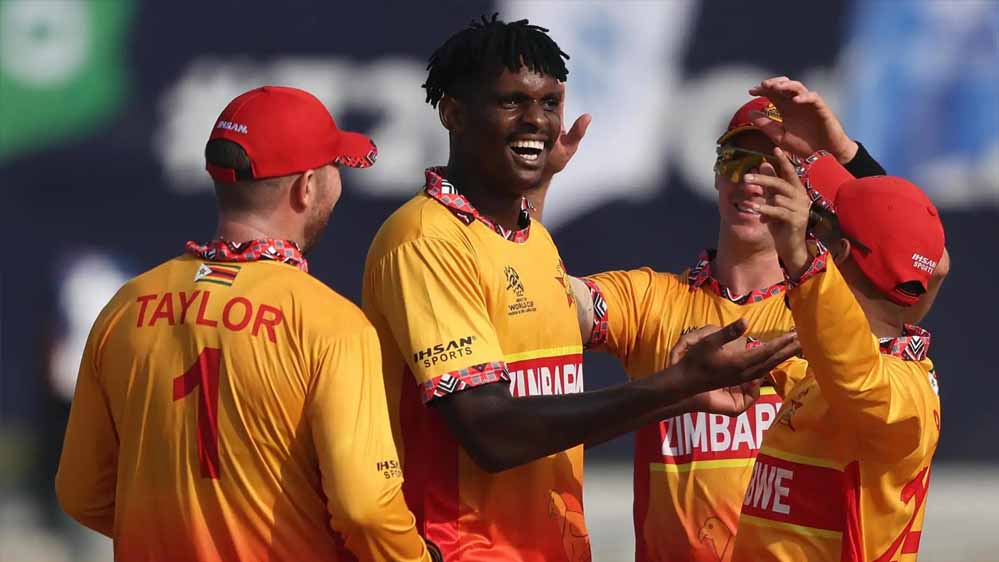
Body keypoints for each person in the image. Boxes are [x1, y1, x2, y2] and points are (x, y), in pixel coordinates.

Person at [361, 16, 799, 562]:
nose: (536, 120)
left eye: (549, 103)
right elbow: (491, 433)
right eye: (512, 102)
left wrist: (682, 391)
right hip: (464, 549)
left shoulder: (531, 241)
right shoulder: (427, 240)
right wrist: (679, 385)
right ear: (452, 112)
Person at [568, 77, 949, 562]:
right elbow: (551, 300)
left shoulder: (834, 317)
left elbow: (918, 261)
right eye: (738, 161)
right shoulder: (652, 301)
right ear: (715, 174)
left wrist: (846, 155)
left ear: (811, 201)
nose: (753, 181)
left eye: (777, 171)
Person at [55, 86, 440, 562]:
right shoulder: (332, 325)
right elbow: (365, 510)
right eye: (334, 168)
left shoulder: (126, 306)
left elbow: (81, 493)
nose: (338, 183)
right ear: (307, 187)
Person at [728, 145, 944, 561]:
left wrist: (802, 262)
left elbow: (857, 378)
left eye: (817, 226)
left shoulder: (902, 395)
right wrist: (746, 359)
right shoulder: (833, 371)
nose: (810, 236)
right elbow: (833, 371)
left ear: (839, 254)